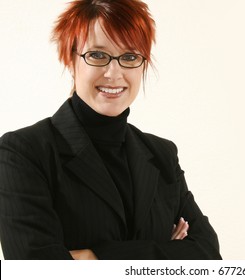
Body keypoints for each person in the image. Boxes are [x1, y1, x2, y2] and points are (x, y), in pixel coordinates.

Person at [0, 0, 221, 260]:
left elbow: (207, 255)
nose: (113, 73)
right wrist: (167, 253)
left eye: (130, 56)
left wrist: (94, 256)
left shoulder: (162, 154)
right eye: (97, 54)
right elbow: (38, 270)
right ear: (70, 60)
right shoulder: (22, 153)